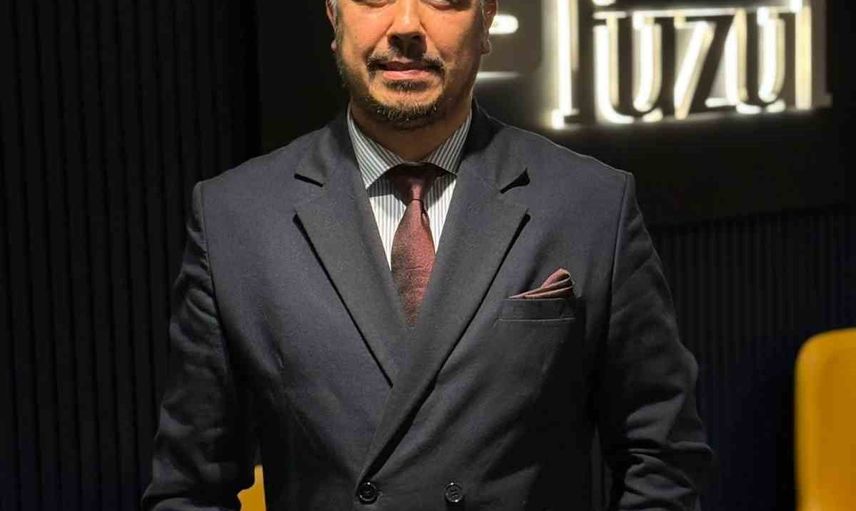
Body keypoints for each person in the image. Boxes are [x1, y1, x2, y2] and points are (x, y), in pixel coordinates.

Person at [142, 0, 714, 509]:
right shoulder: (236, 218)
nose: (407, 25)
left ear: (487, 18)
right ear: (333, 15)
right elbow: (190, 486)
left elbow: (662, 453)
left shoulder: (591, 205)